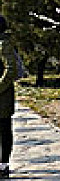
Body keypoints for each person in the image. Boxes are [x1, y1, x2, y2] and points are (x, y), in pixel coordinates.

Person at [0, 16, 16, 178]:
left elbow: (10, 70)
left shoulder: (3, 44)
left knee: (4, 131)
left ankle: (3, 164)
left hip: (3, 98)